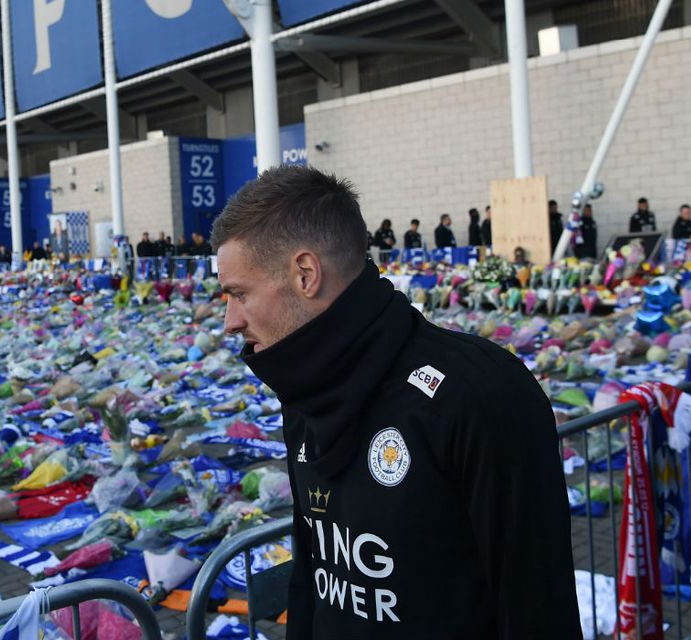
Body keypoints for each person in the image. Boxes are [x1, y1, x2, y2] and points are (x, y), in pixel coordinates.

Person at [211, 166, 578, 639]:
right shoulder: (305, 392)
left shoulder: (475, 392)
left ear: (305, 274)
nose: (229, 321)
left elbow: (537, 610)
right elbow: (312, 581)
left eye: (239, 294)